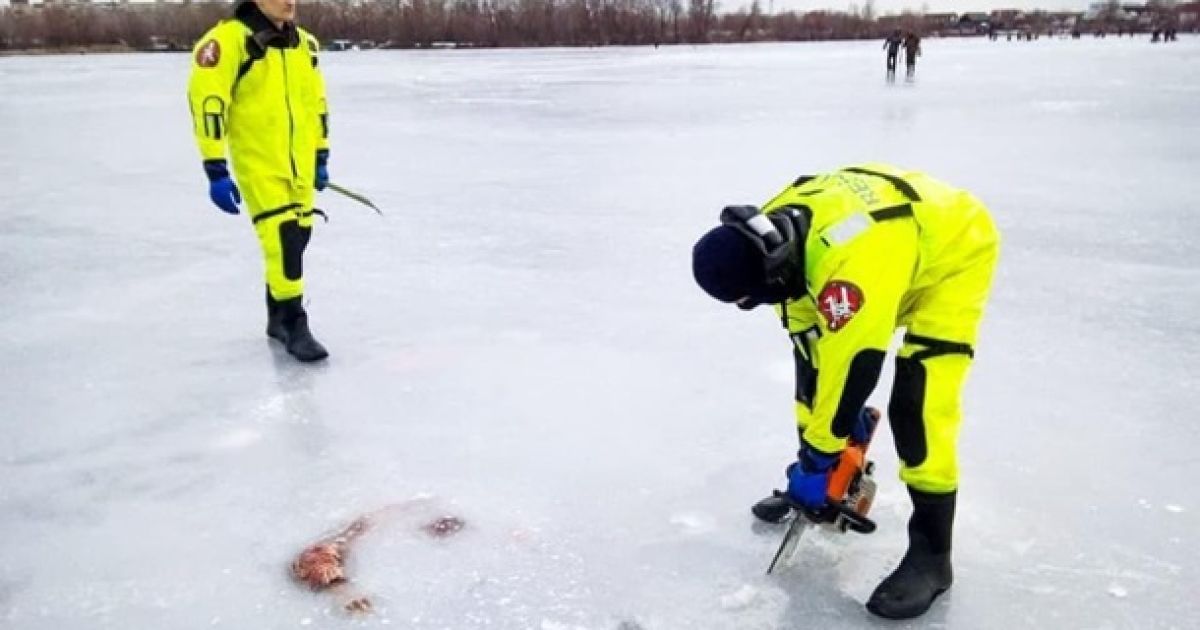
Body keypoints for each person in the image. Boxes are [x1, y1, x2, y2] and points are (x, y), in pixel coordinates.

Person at [691, 164, 1000, 620]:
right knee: (820, 377)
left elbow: (855, 367)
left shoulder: (848, 268)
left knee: (919, 401)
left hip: (953, 249)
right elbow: (811, 349)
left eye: (751, 300)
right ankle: (833, 469)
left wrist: (819, 457)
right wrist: (817, 453)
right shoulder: (776, 236)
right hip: (892, 241)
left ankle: (933, 556)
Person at [187, 0, 331, 362]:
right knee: (283, 241)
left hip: (298, 164)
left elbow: (317, 104)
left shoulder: (304, 45)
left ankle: (278, 318)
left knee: (298, 237)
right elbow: (208, 102)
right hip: (260, 166)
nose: (289, 2)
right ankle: (296, 323)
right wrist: (215, 168)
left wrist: (320, 154)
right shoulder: (227, 42)